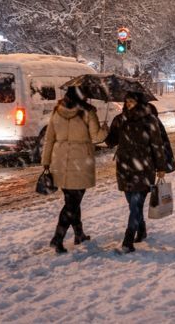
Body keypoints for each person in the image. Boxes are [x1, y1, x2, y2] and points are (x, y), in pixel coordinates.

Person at [41, 87, 108, 254]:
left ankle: (79, 234)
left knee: (71, 200)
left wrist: (46, 162)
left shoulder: (57, 111)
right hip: (80, 161)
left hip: (60, 161)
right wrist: (105, 129)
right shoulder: (87, 112)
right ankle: (58, 238)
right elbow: (96, 137)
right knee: (72, 204)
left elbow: (49, 139)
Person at [105, 91, 166, 254]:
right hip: (124, 168)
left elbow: (157, 145)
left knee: (136, 204)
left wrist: (161, 167)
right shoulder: (120, 119)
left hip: (144, 168)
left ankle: (128, 239)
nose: (129, 104)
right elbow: (111, 141)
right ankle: (142, 229)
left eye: (132, 102)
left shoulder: (149, 120)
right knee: (132, 203)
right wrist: (106, 133)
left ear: (139, 103)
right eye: (127, 102)